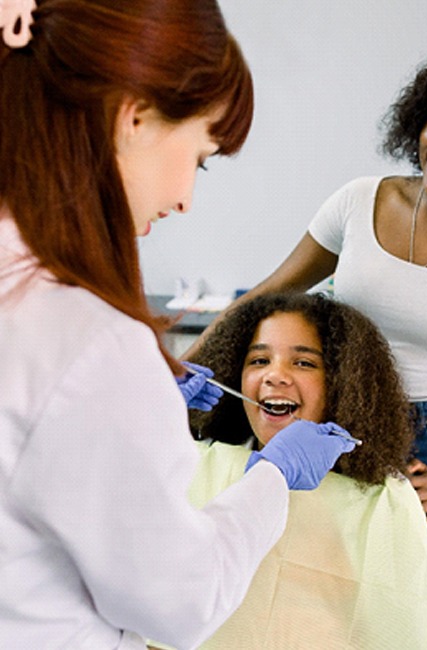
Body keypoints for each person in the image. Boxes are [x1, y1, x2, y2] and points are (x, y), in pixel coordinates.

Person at [0, 2, 356, 649]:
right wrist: (272, 478)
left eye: (303, 360)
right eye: (202, 155)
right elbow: (182, 602)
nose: (188, 197)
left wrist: (140, 405)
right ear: (132, 116)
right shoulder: (90, 340)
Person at [184, 30, 427, 650]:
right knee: (315, 606)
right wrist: (180, 369)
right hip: (337, 419)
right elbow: (263, 299)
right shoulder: (361, 202)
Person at [169, 293, 427, 650]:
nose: (275, 375)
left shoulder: (387, 504)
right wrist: (143, 415)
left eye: (304, 363)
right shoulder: (191, 466)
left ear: (345, 382)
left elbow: (406, 622)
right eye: (260, 359)